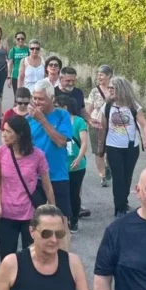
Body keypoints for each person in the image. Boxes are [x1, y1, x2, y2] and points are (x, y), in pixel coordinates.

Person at [0, 115, 54, 260]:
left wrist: (53, 212)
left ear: (20, 134)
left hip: (30, 214)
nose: (4, 134)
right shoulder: (1, 152)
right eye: (4, 130)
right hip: (6, 214)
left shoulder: (38, 155)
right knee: (7, 258)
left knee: (32, 258)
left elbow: (47, 186)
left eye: (8, 131)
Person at [98, 76, 146, 218]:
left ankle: (123, 200)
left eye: (112, 88)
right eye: (109, 88)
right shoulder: (107, 106)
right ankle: (119, 208)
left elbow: (144, 123)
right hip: (113, 146)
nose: (109, 90)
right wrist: (100, 146)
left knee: (127, 176)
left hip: (131, 147)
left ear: (121, 89)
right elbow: (103, 126)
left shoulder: (133, 106)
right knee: (118, 178)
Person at [27, 80, 73, 225]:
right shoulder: (28, 120)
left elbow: (60, 142)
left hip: (57, 176)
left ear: (51, 99)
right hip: (36, 178)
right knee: (37, 221)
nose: (37, 102)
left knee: (61, 220)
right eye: (35, 98)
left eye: (41, 99)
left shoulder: (62, 115)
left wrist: (42, 120)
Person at [58, 95, 88, 228]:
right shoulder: (55, 122)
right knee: (62, 194)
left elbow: (84, 143)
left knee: (74, 194)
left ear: (64, 108)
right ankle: (63, 219)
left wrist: (78, 158)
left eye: (56, 106)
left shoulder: (78, 121)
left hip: (77, 165)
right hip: (60, 165)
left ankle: (74, 218)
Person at [86, 65, 113, 187]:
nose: (99, 77)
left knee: (111, 150)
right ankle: (102, 175)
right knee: (98, 151)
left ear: (109, 75)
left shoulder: (115, 90)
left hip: (113, 125)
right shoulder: (94, 91)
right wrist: (88, 120)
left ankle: (108, 166)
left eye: (101, 75)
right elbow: (89, 108)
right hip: (97, 125)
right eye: (98, 74)